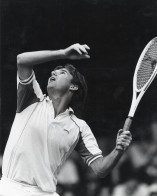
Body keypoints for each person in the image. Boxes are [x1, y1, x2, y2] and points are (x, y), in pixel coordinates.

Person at [0, 43, 132, 196]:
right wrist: (63, 53)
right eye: (53, 71)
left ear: (74, 87)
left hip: (45, 193)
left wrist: (118, 150)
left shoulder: (79, 127)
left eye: (62, 72)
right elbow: (22, 60)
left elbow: (100, 169)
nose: (53, 73)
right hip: (10, 188)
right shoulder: (31, 98)